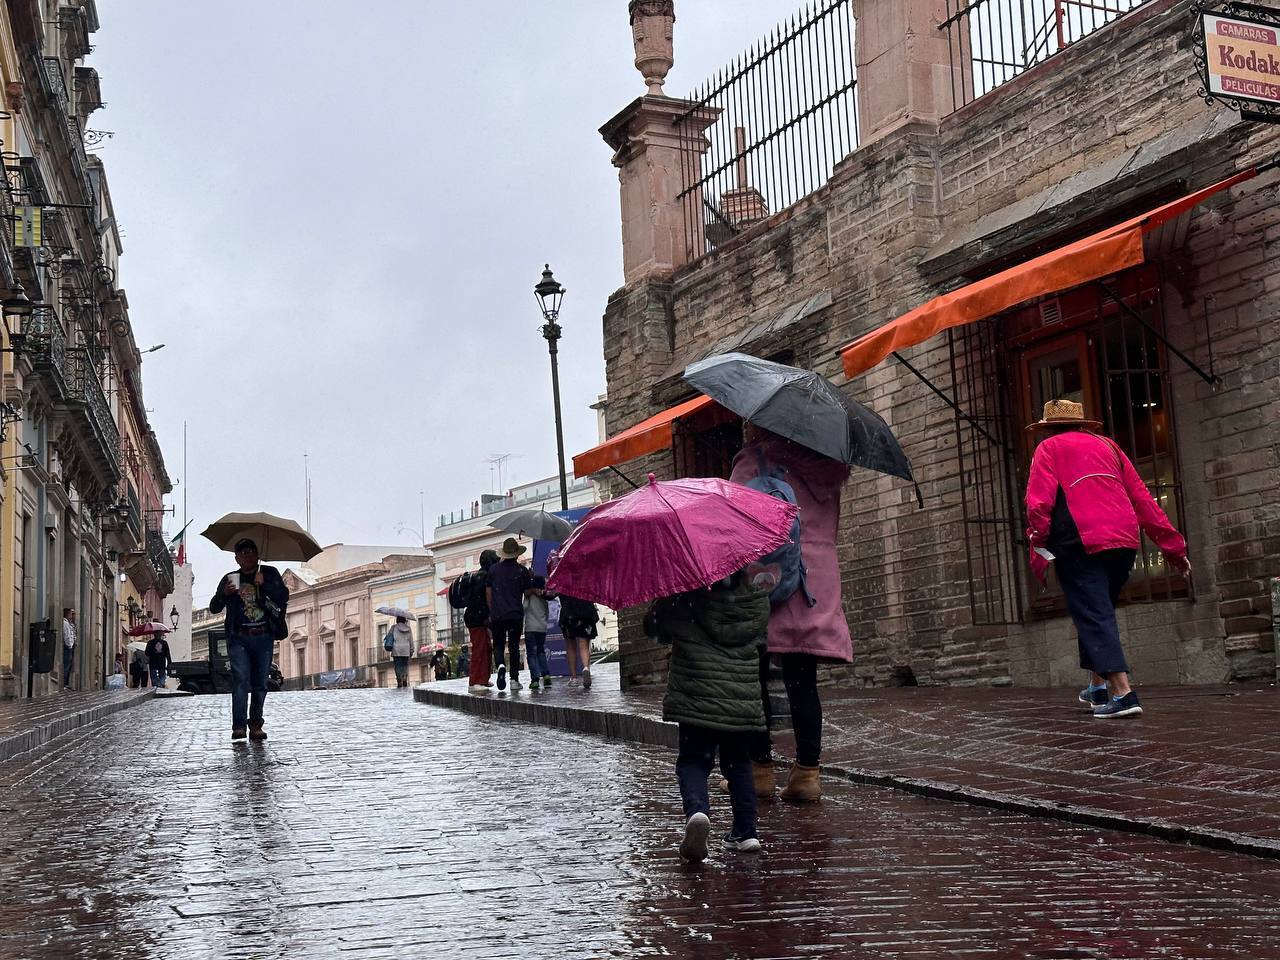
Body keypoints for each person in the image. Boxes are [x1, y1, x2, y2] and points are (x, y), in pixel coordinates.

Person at [1024, 399, 1190, 719]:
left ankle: (1124, 694)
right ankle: (1097, 686)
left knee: (1093, 612)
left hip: (1079, 540)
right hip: (1123, 541)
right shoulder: (1109, 446)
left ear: (1047, 428)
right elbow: (1143, 498)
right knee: (1097, 609)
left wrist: (1038, 541)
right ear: (1083, 423)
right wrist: (1173, 549)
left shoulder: (1048, 448)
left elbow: (1038, 503)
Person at [730, 423, 852, 803]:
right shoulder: (829, 464)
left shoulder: (756, 459)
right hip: (816, 578)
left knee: (754, 675)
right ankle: (807, 775)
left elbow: (732, 516)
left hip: (770, 576)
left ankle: (759, 770)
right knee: (804, 680)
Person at [650, 569, 771, 861]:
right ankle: (746, 831)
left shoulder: (685, 600)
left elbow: (655, 629)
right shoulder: (754, 603)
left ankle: (697, 812)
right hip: (740, 700)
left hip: (696, 699)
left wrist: (662, 599)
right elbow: (762, 642)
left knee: (693, 760)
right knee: (739, 764)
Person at [209, 537, 290, 742]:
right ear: (236, 558)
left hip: (263, 635)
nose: (247, 556)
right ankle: (238, 726)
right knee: (241, 680)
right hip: (239, 638)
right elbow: (214, 607)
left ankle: (255, 724)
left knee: (260, 683)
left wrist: (264, 586)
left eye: (251, 552)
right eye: (242, 553)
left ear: (257, 554)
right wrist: (224, 594)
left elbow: (283, 596)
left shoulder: (268, 573)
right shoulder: (231, 578)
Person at [486, 538, 532, 691]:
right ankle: (514, 679)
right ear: (517, 554)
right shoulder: (522, 571)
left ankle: (500, 665)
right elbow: (526, 592)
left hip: (498, 615)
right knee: (514, 647)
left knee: (498, 644)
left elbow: (488, 591)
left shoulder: (493, 570)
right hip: (515, 614)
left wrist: (491, 608)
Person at [466, 549, 499, 693]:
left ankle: (483, 678)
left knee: (486, 647)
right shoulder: (484, 577)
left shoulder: (479, 575)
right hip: (477, 619)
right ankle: (475, 681)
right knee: (479, 649)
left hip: (475, 617)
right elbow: (482, 600)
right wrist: (488, 616)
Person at [559, 594, 599, 690]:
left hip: (569, 612)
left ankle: (574, 678)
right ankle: (586, 668)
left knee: (570, 645)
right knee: (584, 643)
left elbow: (553, 593)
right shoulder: (587, 578)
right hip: (586, 610)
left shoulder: (563, 579)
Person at [523, 575, 552, 690]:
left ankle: (535, 679)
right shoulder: (544, 597)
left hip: (530, 627)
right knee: (541, 651)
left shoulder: (529, 597)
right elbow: (547, 612)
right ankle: (546, 675)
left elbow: (524, 608)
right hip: (542, 627)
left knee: (531, 654)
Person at [385, 616, 414, 688]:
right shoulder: (408, 628)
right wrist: (411, 650)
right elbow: (411, 640)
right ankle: (404, 677)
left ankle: (399, 679)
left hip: (396, 649)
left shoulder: (393, 627)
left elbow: (389, 637)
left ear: (397, 620)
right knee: (405, 665)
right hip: (406, 650)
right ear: (404, 620)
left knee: (398, 666)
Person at [61, 608, 76, 690]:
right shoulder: (65, 623)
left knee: (69, 665)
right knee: (66, 665)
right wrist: (69, 645)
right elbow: (66, 635)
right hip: (68, 647)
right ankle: (64, 683)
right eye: (71, 613)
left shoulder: (70, 623)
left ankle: (66, 683)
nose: (72, 615)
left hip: (70, 646)